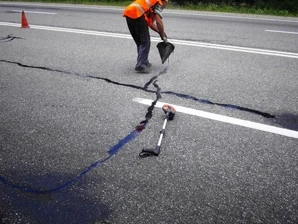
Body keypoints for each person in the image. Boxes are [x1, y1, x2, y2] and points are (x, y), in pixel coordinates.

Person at [123, 0, 168, 73]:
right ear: (164, 2)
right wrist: (163, 35)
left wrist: (160, 32)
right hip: (138, 15)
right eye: (166, 4)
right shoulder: (158, 2)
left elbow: (150, 23)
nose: (165, 7)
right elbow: (159, 21)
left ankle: (144, 62)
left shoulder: (149, 5)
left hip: (129, 14)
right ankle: (141, 64)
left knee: (140, 42)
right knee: (145, 42)